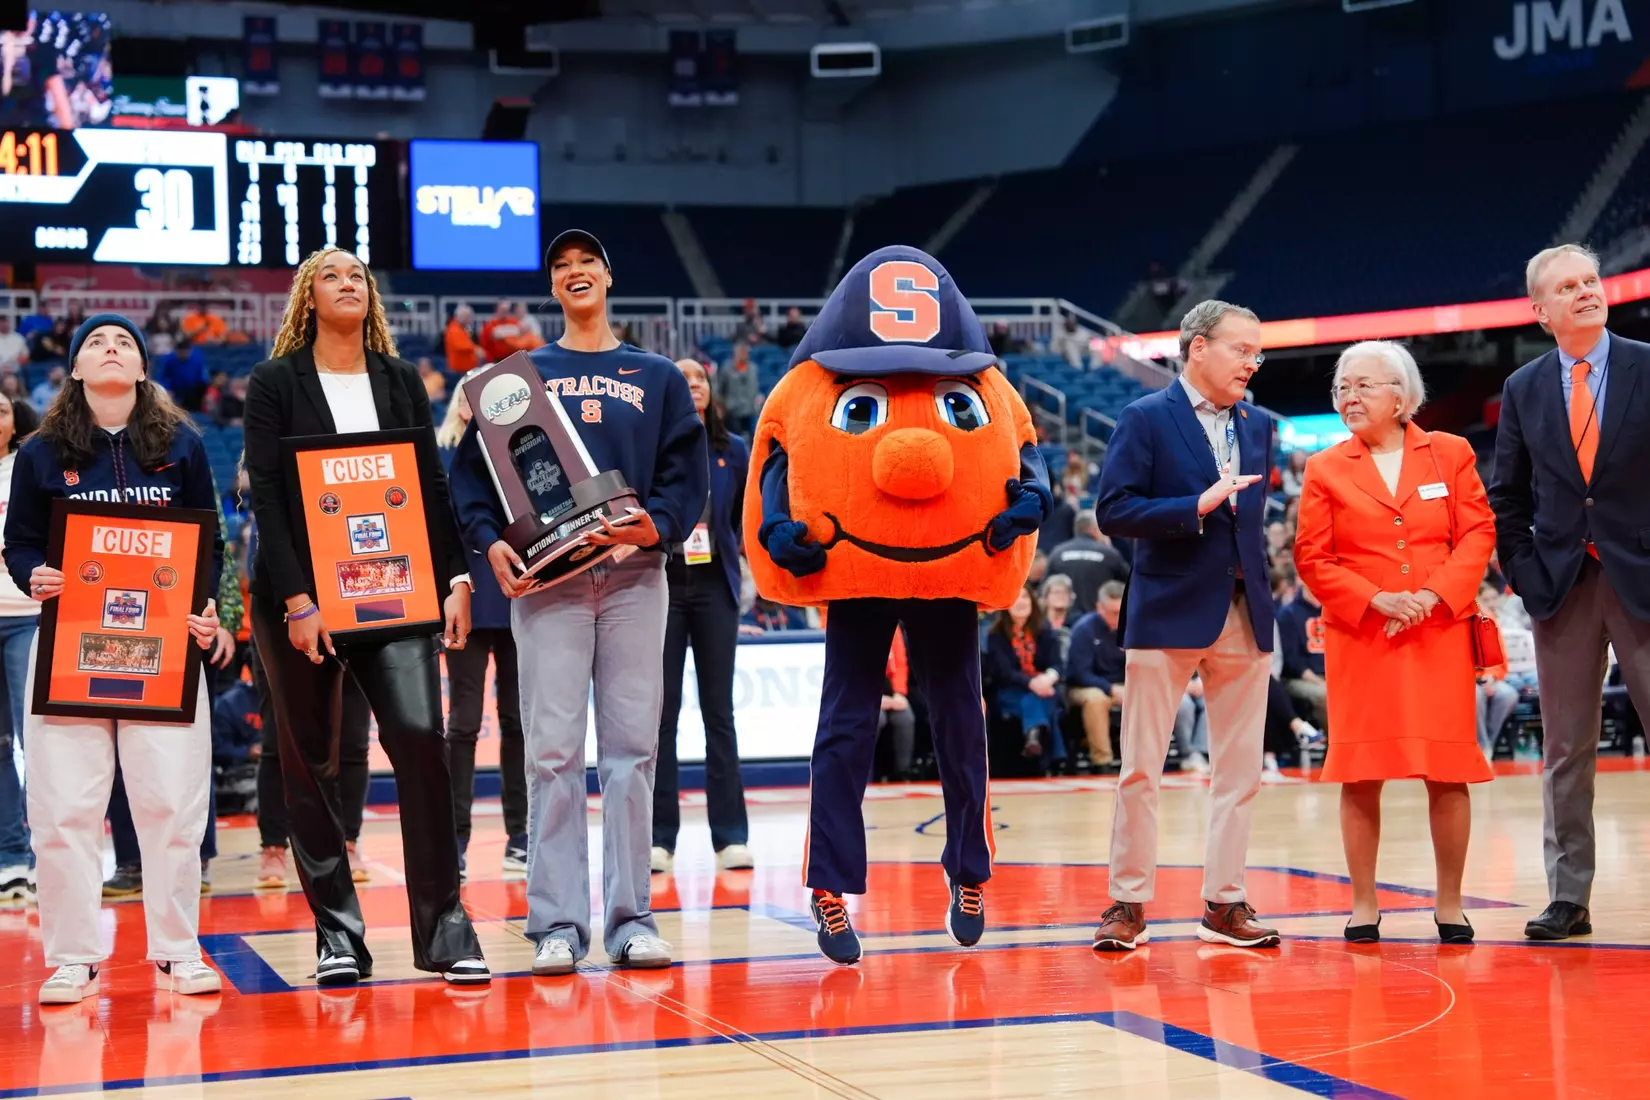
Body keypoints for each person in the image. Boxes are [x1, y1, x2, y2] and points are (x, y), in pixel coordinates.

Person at [745, 245, 1050, 965]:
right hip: (859, 564)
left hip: (944, 565)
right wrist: (771, 526)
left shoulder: (986, 381)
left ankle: (970, 872)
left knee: (960, 727)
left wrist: (1033, 497)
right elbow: (778, 451)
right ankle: (828, 886)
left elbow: (1024, 446)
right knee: (843, 729)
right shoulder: (813, 380)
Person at [450, 229, 707, 977]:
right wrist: (485, 538)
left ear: (607, 275)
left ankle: (632, 922)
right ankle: (556, 924)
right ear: (553, 288)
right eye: (561, 267)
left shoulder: (655, 375)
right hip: (550, 584)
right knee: (554, 754)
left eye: (586, 262)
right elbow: (473, 478)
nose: (575, 274)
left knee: (633, 753)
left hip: (634, 578)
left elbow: (684, 474)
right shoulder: (517, 379)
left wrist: (657, 524)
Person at [243, 248, 488, 987]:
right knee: (310, 763)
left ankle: (446, 928)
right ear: (308, 298)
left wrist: (454, 577)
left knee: (418, 737)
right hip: (304, 598)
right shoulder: (274, 382)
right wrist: (296, 600)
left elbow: (429, 486)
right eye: (332, 276)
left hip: (397, 588)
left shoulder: (400, 379)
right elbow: (270, 503)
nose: (348, 283)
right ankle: (339, 936)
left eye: (358, 276)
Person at [4, 314, 224, 1003]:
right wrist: (33, 575)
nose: (110, 348)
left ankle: (179, 950)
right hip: (69, 644)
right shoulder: (41, 451)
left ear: (141, 368)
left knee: (172, 804)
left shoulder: (181, 445)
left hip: (163, 650)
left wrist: (207, 605)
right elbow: (21, 544)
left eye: (124, 342)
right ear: (73, 368)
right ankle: (71, 957)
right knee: (64, 808)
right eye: (95, 342)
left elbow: (206, 540)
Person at [1091, 299, 1279, 952]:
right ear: (1197, 347)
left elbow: (1249, 522)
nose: (1252, 363)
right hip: (1167, 607)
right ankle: (1127, 902)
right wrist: (1190, 508)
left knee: (1240, 772)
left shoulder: (1257, 425)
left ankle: (1225, 903)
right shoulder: (1143, 418)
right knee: (1142, 767)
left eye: (1258, 352)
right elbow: (1112, 510)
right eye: (1240, 348)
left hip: (1244, 609)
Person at [1294, 340, 1495, 944]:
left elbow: (1478, 532)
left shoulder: (1451, 453)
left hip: (1438, 630)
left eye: (1364, 385)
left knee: (1448, 769)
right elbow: (1311, 556)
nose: (1349, 396)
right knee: (1360, 772)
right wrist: (1375, 599)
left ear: (1402, 396)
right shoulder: (1324, 467)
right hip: (1364, 635)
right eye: (1342, 387)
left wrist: (1434, 598)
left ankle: (1452, 903)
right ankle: (1362, 903)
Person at [1488, 243, 1650, 942]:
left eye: (1592, 281)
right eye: (1569, 286)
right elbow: (1509, 494)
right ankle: (1568, 897)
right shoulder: (1524, 387)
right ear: (1542, 309)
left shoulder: (1647, 364)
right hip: (1563, 585)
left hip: (1642, 576)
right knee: (1565, 751)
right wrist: (1525, 573)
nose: (1586, 291)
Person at [651, 357, 753, 875]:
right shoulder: (653, 447)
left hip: (715, 588)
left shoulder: (733, 450)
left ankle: (731, 836)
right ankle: (658, 838)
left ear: (711, 391)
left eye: (700, 380)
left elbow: (737, 523)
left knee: (720, 716)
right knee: (660, 717)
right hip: (663, 587)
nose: (693, 386)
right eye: (684, 379)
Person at [435, 388, 526, 881]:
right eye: (468, 398)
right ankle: (456, 841)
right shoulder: (444, 453)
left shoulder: (520, 451)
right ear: (458, 405)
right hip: (466, 598)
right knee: (463, 724)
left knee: (517, 722)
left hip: (518, 595)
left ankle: (521, 838)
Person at [0, 393, 41, 901]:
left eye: (4, 409)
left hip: (27, 617)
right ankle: (9, 856)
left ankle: (39, 857)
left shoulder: (29, 466)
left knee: (36, 745)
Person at [985, 587, 1065, 764]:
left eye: (1025, 597)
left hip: (1045, 687)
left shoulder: (1046, 631)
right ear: (1006, 604)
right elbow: (1003, 673)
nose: (1021, 602)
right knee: (1034, 700)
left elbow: (1057, 664)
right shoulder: (996, 635)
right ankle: (1055, 753)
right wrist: (1031, 683)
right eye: (1016, 597)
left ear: (1033, 602)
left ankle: (1034, 738)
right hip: (1011, 690)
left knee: (1037, 699)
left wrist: (1047, 678)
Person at [1063, 580, 1126, 774]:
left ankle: (1142, 760)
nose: (1118, 617)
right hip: (1083, 686)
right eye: (1113, 612)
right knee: (1096, 699)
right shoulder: (1084, 629)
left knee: (1145, 695)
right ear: (1100, 608)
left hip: (1120, 684)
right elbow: (1081, 674)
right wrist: (1111, 688)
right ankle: (1102, 761)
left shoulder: (1132, 626)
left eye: (1122, 611)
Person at [1044, 511, 1129, 616]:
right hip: (1100, 618)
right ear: (1095, 530)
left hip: (1064, 618)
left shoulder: (1057, 553)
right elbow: (1128, 586)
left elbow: (1044, 589)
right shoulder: (1109, 554)